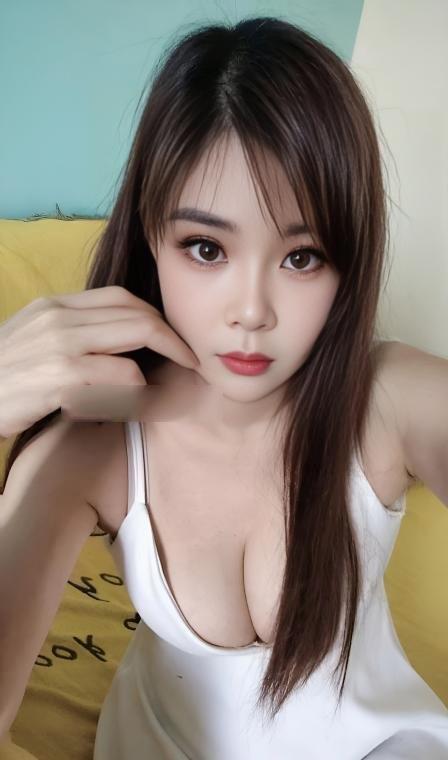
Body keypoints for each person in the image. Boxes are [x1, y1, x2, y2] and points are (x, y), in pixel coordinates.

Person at [1, 15, 447, 759]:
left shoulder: (387, 399)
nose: (251, 312)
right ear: (150, 235)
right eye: (206, 247)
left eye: (302, 257)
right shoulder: (96, 442)